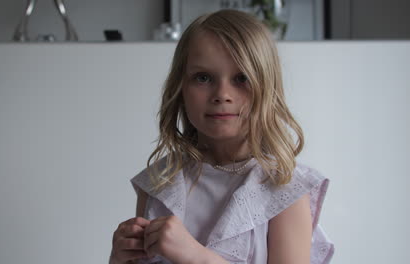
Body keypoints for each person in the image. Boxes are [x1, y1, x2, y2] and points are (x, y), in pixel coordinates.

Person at [109, 9, 334, 264]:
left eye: (241, 78)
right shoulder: (161, 182)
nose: (222, 94)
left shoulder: (284, 189)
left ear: (268, 89)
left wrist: (195, 256)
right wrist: (120, 259)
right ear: (180, 88)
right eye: (203, 78)